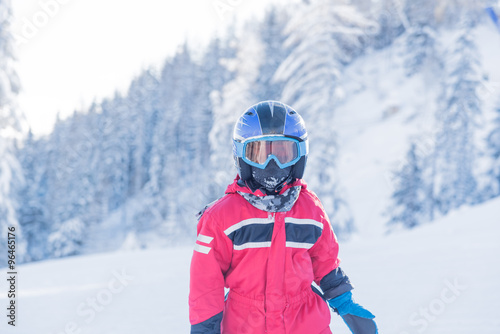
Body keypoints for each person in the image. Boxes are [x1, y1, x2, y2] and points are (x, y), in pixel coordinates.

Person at [189, 101, 377, 334]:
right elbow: (205, 283)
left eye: (282, 153)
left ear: (299, 156)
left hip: (307, 324)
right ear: (241, 156)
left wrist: (344, 302)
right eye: (258, 153)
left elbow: (325, 261)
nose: (272, 164)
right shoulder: (221, 217)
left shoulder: (310, 209)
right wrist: (204, 329)